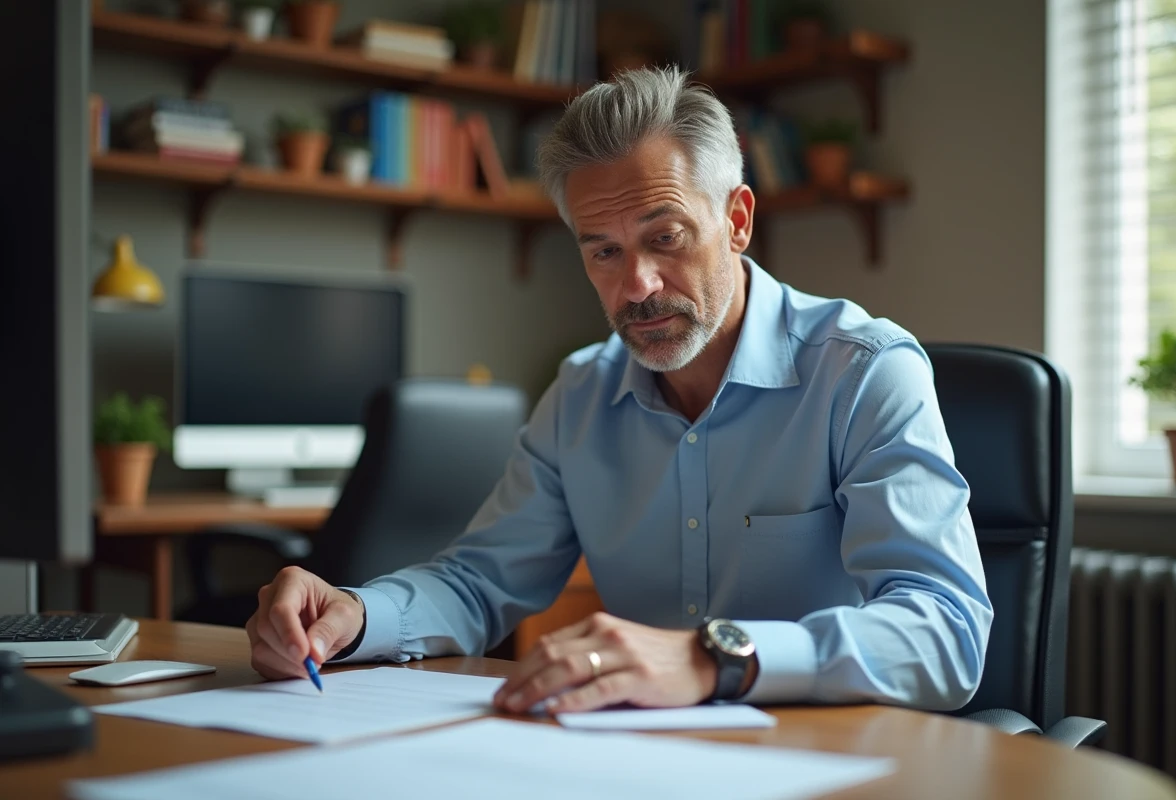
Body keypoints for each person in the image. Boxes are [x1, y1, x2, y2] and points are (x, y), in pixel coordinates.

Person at [247, 66, 992, 714]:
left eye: (664, 237)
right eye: (604, 251)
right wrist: (355, 614)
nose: (635, 285)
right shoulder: (580, 394)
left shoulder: (863, 372)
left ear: (735, 220)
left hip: (829, 757)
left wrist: (712, 659)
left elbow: (946, 631)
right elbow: (478, 583)